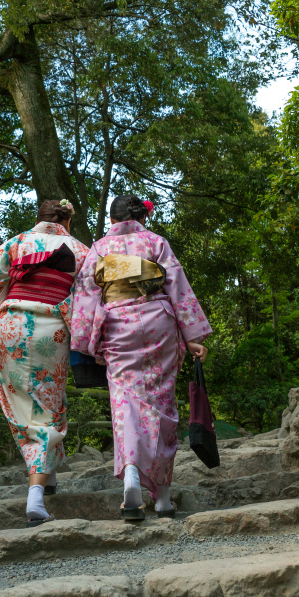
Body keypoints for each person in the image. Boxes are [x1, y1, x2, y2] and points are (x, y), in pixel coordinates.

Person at [71, 195, 211, 520]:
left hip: (118, 324)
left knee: (125, 402)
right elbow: (177, 286)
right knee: (162, 403)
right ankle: (162, 498)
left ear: (112, 220)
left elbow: (87, 294)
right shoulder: (155, 241)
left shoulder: (99, 249)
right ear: (140, 217)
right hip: (159, 322)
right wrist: (193, 337)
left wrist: (85, 342)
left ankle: (131, 473)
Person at [0, 200, 89, 527]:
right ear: (67, 220)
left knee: (20, 401)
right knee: (49, 402)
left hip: (13, 325)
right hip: (53, 328)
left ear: (41, 218)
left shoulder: (18, 242)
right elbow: (93, 292)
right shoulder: (80, 249)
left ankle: (48, 481)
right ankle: (35, 493)